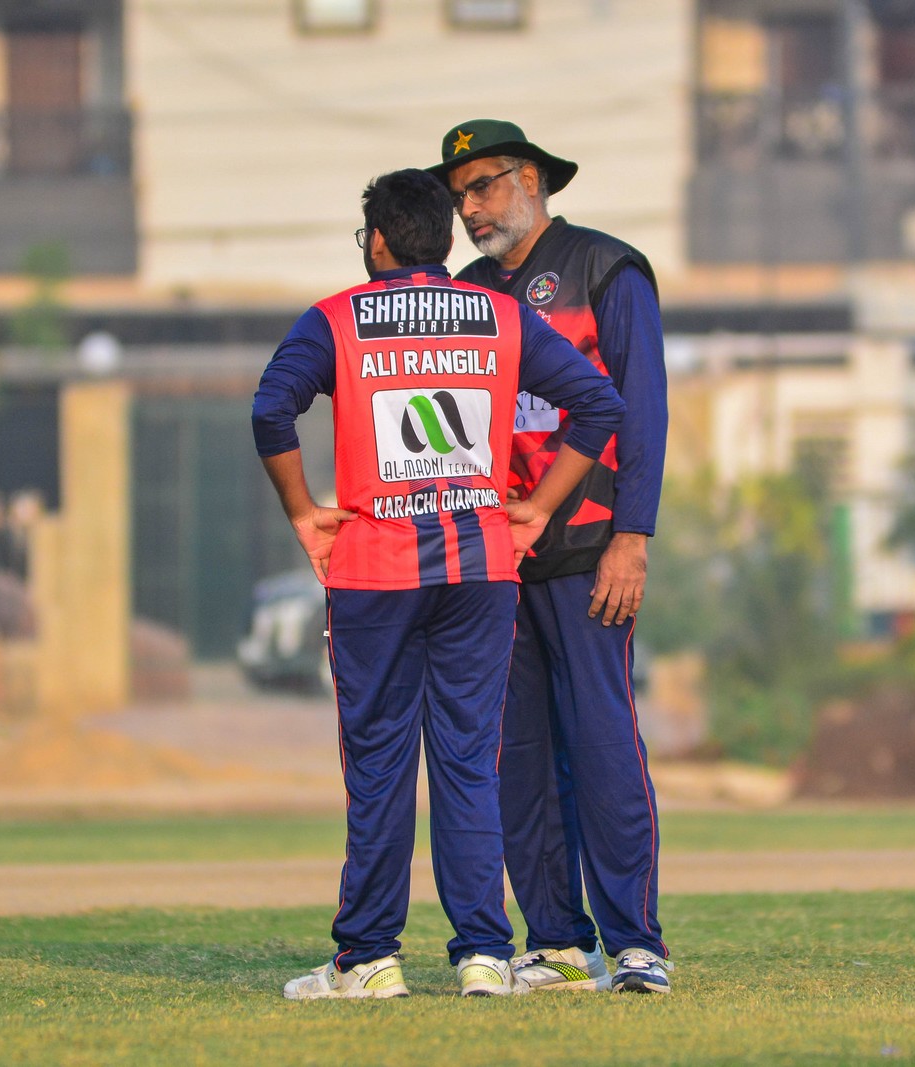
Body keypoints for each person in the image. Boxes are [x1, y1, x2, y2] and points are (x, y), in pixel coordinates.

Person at [251, 168, 625, 999]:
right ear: (448, 238)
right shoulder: (500, 315)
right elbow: (599, 405)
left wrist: (304, 513)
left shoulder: (336, 318)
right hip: (480, 568)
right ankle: (484, 953)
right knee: (468, 761)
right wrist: (538, 508)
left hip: (375, 571)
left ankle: (369, 958)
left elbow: (271, 410)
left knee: (380, 764)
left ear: (379, 241)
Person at [428, 120, 673, 993]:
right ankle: (560, 942)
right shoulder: (461, 295)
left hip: (589, 550)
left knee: (601, 741)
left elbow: (642, 408)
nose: (470, 209)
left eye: (484, 186)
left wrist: (632, 538)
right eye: (459, 197)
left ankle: (637, 941)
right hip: (495, 560)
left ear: (531, 179)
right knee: (518, 755)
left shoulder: (607, 267)